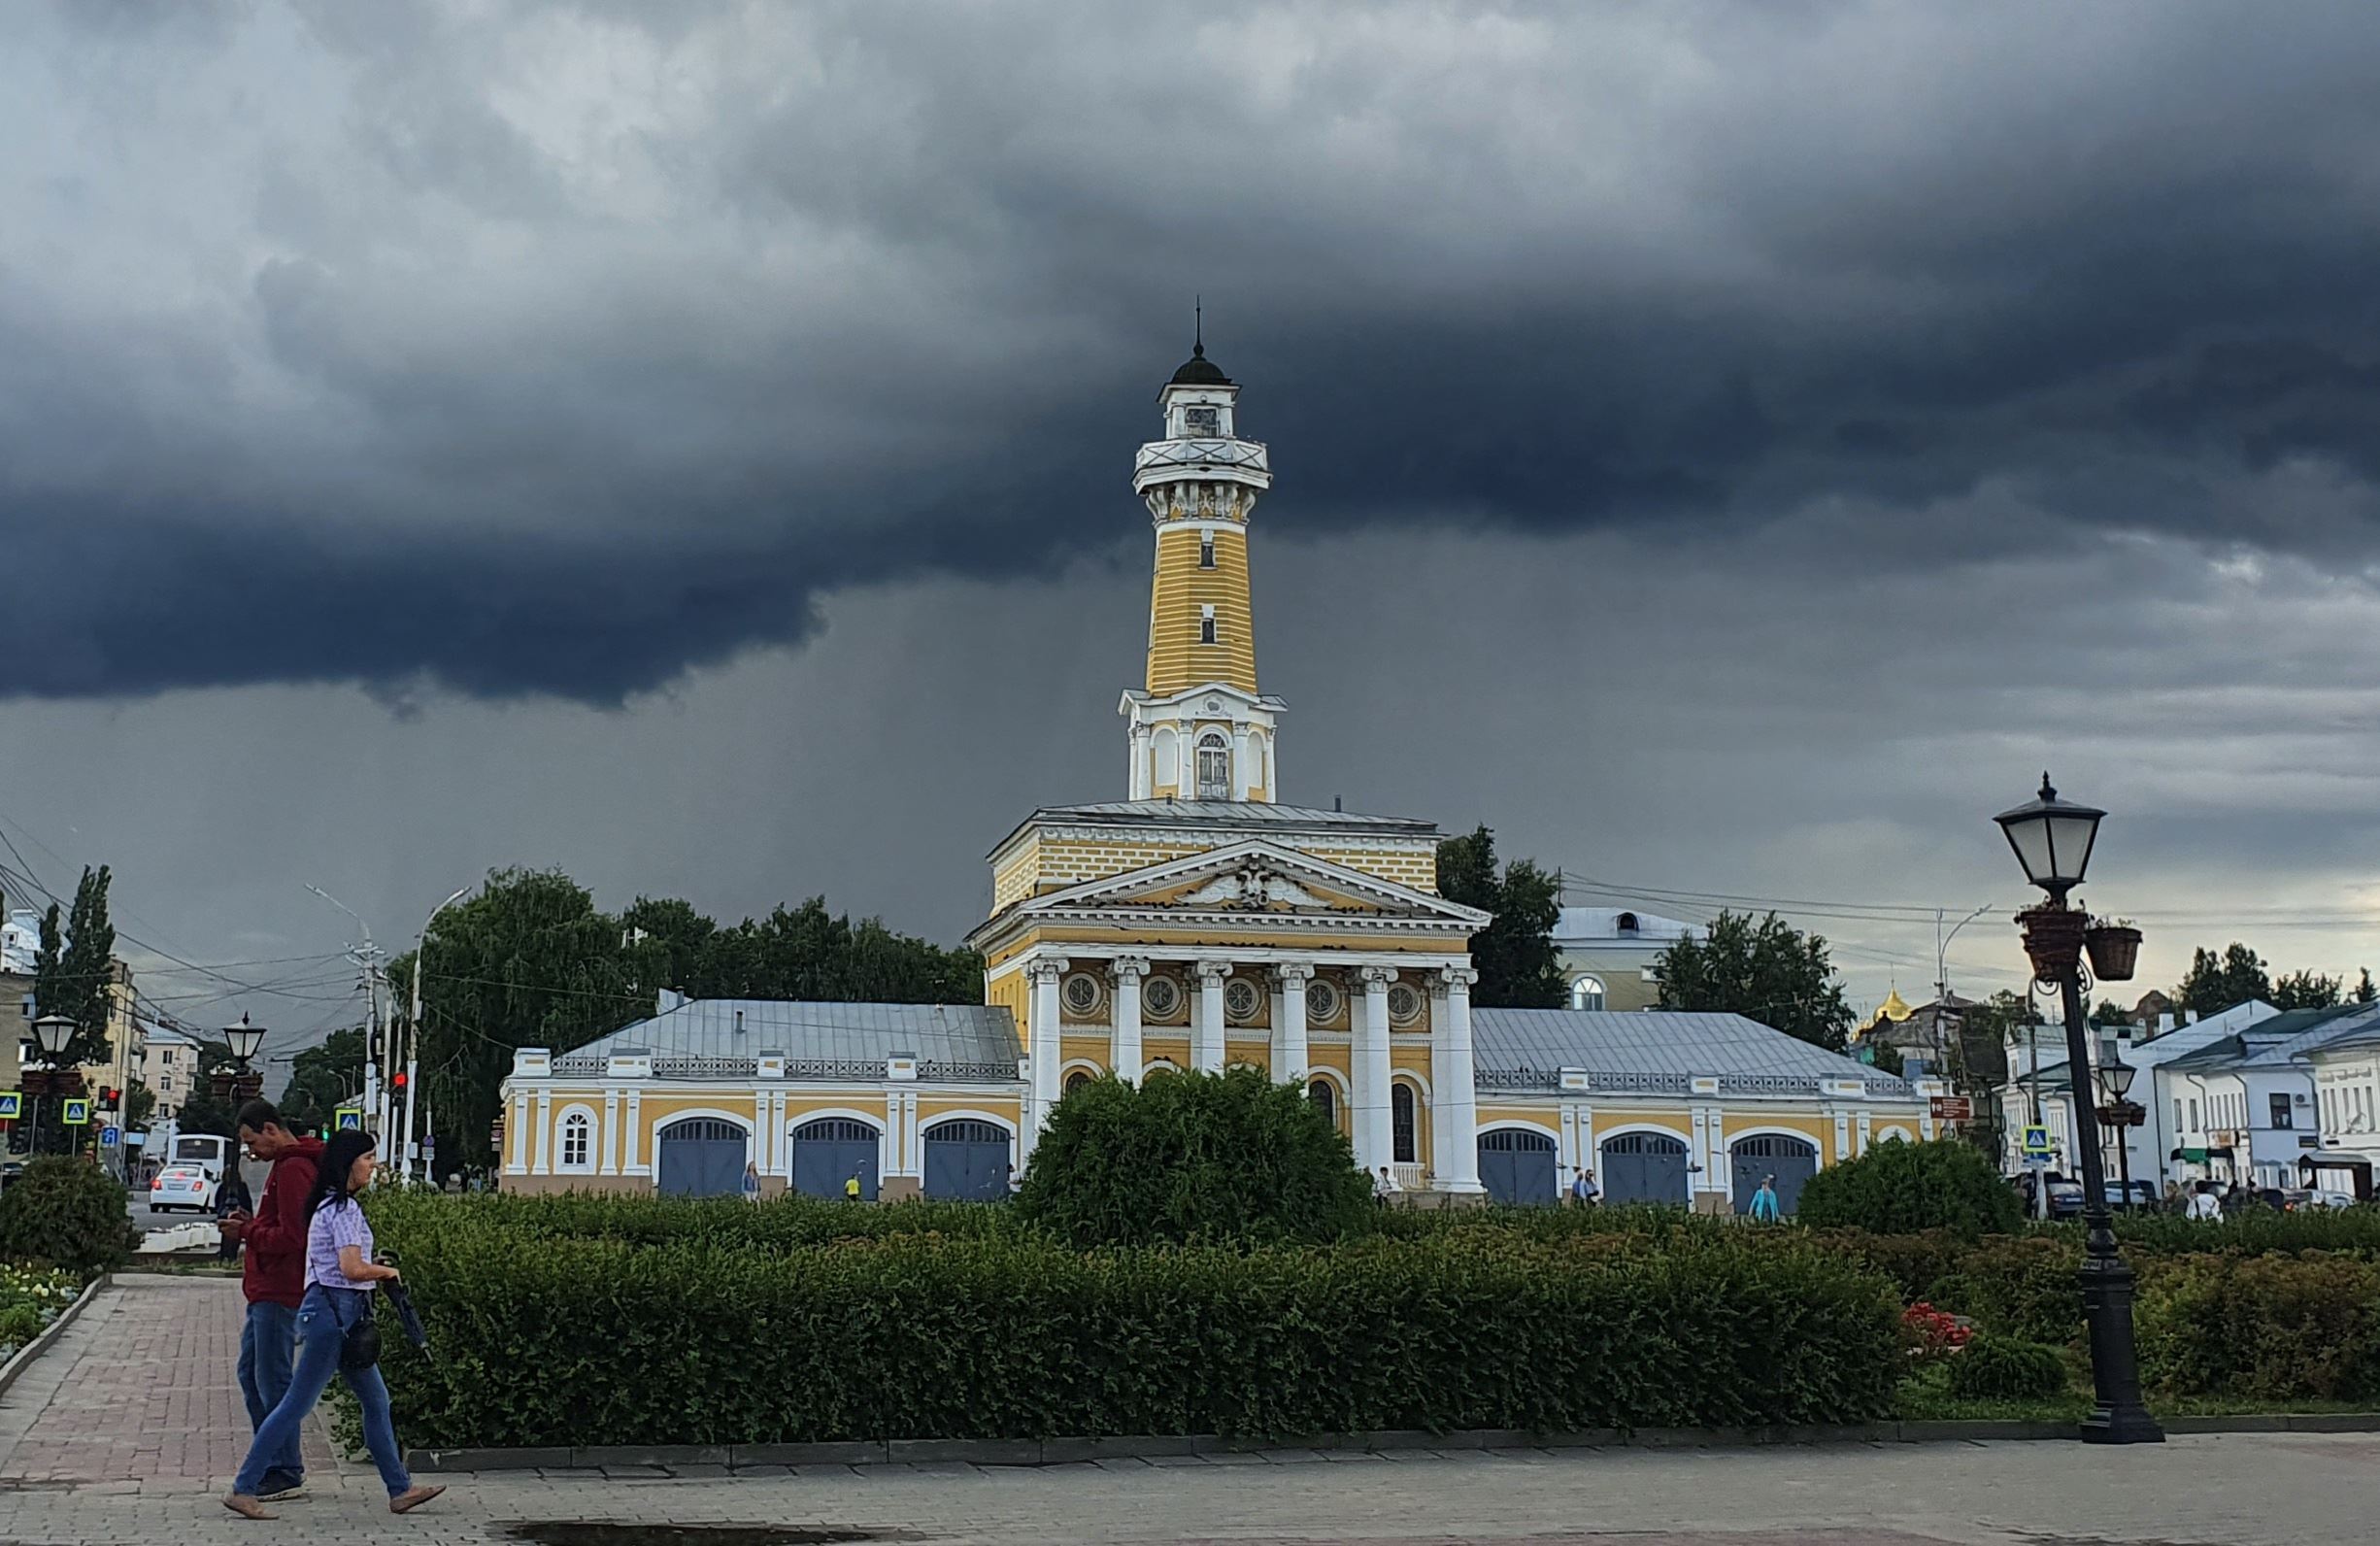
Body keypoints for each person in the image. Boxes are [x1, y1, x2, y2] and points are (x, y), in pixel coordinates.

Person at [223, 1129, 444, 1520]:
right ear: (348, 1163)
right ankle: (244, 1488)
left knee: (376, 1401)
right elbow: (351, 1268)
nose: (373, 1166)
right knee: (296, 1404)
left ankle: (400, 1490)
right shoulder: (342, 1209)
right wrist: (387, 1271)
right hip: (331, 1315)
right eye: (368, 1158)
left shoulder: (331, 1206)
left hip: (342, 1314)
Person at [221, 1100, 324, 1504]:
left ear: (270, 1129)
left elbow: (294, 1236)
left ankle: (284, 1467)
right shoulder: (287, 1166)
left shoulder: (294, 1168)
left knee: (273, 1380)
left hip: (281, 1290)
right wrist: (251, 1224)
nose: (251, 1152)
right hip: (269, 1289)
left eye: (252, 1142)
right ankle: (272, 1459)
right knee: (251, 1375)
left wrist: (247, 1231)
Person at [215, 1167, 253, 1263]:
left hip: (228, 1215)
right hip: (236, 1216)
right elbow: (247, 1201)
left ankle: (226, 1257)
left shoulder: (224, 1186)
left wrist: (220, 1212)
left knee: (227, 1237)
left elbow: (218, 1201)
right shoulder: (240, 1186)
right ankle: (231, 1257)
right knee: (233, 1236)